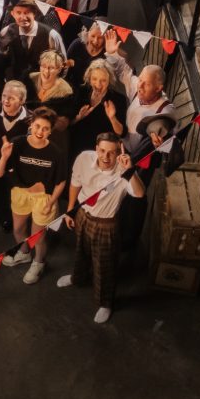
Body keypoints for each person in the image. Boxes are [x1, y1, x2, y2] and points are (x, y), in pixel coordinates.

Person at [56, 132, 145, 323]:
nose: (106, 157)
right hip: (82, 214)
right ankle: (77, 278)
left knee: (105, 265)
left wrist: (130, 171)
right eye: (102, 151)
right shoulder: (84, 158)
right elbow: (75, 183)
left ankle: (106, 303)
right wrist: (71, 209)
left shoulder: (124, 171)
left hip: (106, 224)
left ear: (119, 151)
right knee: (80, 251)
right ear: (96, 148)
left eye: (112, 153)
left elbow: (139, 194)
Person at [0, 107, 68, 284]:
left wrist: (51, 202)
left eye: (45, 128)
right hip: (20, 193)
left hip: (44, 198)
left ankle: (39, 262)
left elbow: (61, 182)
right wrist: (4, 158)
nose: (40, 131)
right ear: (31, 125)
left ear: (50, 131)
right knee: (18, 230)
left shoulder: (56, 153)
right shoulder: (18, 143)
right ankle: (25, 253)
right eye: (37, 126)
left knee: (38, 237)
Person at [104, 29, 176, 135]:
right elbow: (124, 71)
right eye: (140, 79)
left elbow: (165, 127)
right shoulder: (137, 86)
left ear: (158, 88)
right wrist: (112, 53)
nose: (140, 86)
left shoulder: (165, 109)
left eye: (147, 84)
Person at [0, 80, 30, 232]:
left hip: (16, 168)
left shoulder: (30, 120)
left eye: (11, 97)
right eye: (4, 95)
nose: (5, 100)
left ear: (22, 101)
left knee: (13, 193)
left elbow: (29, 148)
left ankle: (9, 216)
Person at [0, 0, 65, 82]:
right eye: (19, 13)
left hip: (40, 89)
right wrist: (2, 51)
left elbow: (63, 67)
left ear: (34, 13)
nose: (23, 17)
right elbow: (0, 66)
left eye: (27, 12)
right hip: (14, 88)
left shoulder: (51, 35)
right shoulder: (5, 32)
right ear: (12, 14)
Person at [70, 58, 127, 158]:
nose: (98, 84)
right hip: (77, 148)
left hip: (101, 153)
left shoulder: (118, 99)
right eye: (94, 79)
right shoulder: (81, 92)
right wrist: (79, 117)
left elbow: (121, 133)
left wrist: (112, 118)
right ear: (89, 78)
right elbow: (68, 123)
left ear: (109, 80)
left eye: (103, 80)